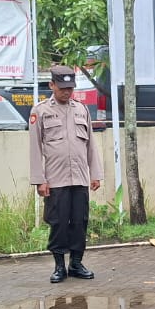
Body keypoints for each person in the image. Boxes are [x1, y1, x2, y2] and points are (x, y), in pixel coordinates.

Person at [30, 66, 103, 283]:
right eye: (62, 87)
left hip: (79, 177)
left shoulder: (81, 109)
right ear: (51, 85)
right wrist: (39, 180)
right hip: (55, 179)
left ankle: (76, 263)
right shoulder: (40, 111)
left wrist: (95, 174)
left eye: (70, 88)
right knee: (59, 223)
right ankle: (59, 266)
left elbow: (91, 144)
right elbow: (35, 148)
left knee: (80, 222)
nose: (67, 92)